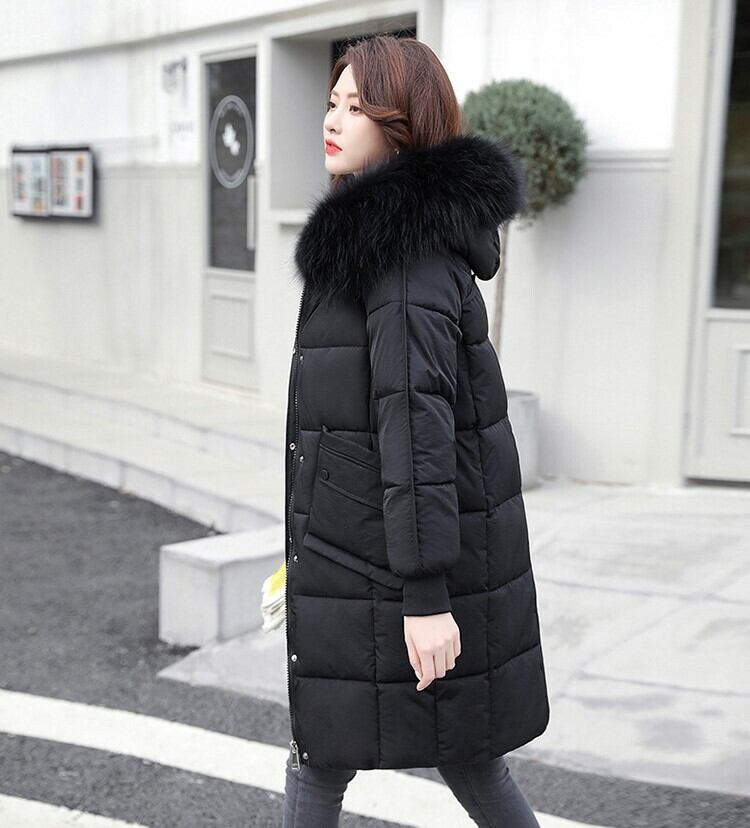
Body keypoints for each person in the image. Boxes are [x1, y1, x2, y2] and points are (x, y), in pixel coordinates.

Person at [282, 33, 550, 827]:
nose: (333, 119)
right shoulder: (378, 242)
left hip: (390, 567)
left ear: (402, 124)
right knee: (455, 753)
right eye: (332, 101)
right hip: (361, 550)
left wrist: (428, 598)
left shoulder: (403, 259)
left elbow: (417, 428)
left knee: (329, 756)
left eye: (356, 107)